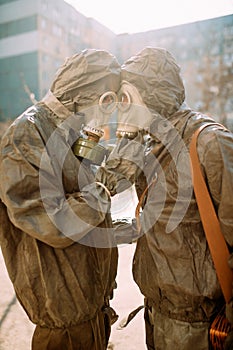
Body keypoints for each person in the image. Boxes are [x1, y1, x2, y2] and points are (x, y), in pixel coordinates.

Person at [96, 47, 233, 349]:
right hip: (157, 313)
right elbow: (108, 183)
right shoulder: (151, 146)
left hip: (200, 324)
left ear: (152, 95)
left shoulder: (209, 142)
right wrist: (128, 137)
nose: (122, 107)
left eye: (127, 98)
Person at [0, 48, 121, 350]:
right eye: (106, 99)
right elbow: (52, 223)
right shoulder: (25, 134)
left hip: (93, 305)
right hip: (64, 320)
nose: (108, 109)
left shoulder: (70, 131)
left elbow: (93, 173)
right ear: (82, 90)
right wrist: (103, 191)